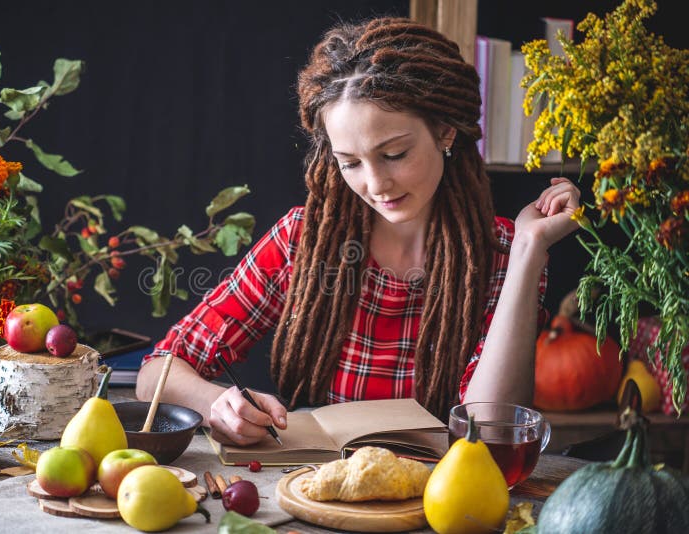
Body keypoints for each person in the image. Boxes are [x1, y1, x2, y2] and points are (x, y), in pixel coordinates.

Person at [136, 17, 580, 446]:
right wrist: (219, 403)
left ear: (445, 132)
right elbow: (155, 372)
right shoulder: (304, 240)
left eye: (394, 153)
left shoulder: (503, 252)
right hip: (314, 491)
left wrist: (528, 249)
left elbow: (491, 426)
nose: (375, 183)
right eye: (349, 162)